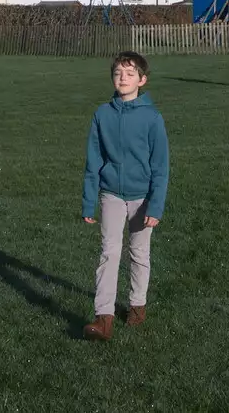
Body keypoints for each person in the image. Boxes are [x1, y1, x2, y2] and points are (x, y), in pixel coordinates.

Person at [81, 51, 170, 341]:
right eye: (118, 72)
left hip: (142, 197)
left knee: (139, 253)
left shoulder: (152, 117)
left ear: (142, 80)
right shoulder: (102, 114)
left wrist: (155, 206)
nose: (123, 78)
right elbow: (93, 161)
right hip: (111, 195)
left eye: (130, 74)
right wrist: (88, 200)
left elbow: (160, 167)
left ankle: (137, 306)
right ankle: (103, 317)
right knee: (109, 252)